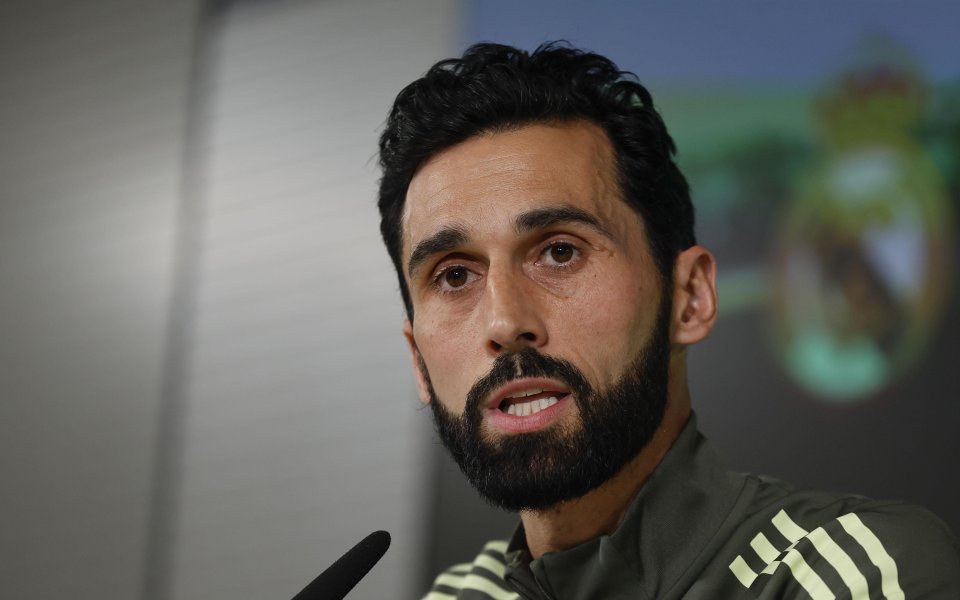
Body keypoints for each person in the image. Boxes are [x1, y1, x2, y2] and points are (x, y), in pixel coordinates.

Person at [376, 42, 960, 599]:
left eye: (560, 251)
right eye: (455, 276)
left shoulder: (849, 573)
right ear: (417, 360)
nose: (505, 322)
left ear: (690, 297)